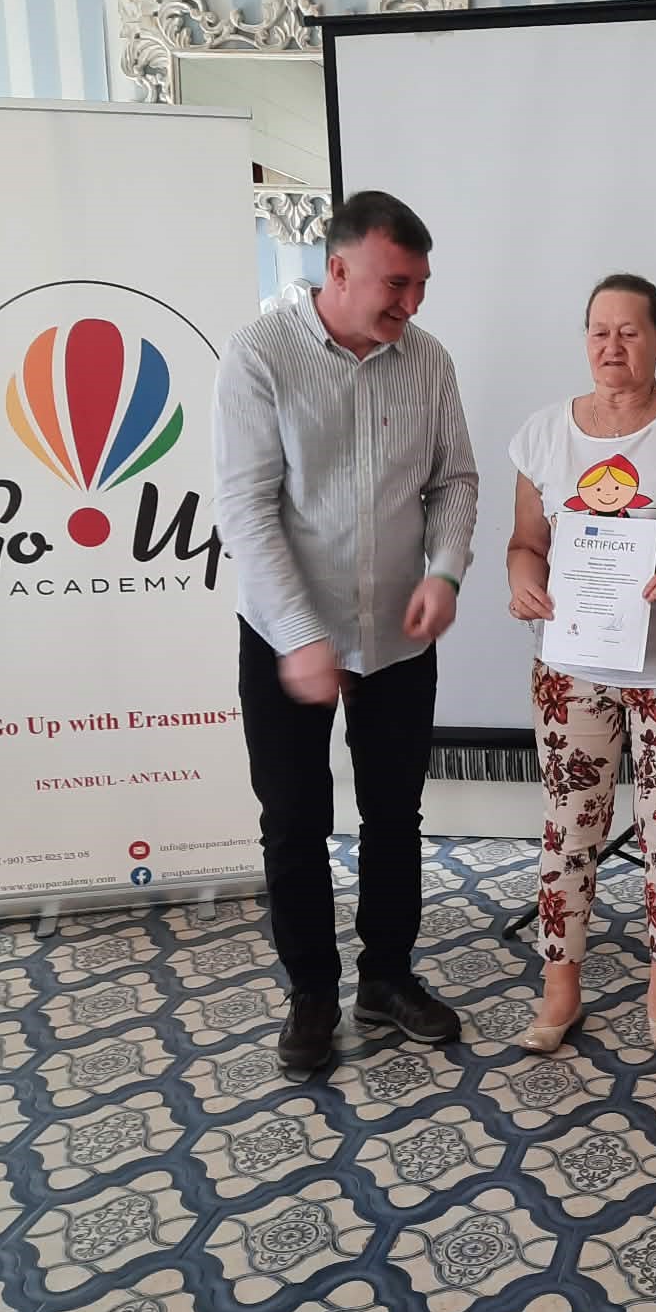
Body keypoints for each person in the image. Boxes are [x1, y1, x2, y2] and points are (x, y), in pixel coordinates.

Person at [214, 191, 478, 1073]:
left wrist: (444, 570)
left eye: (421, 284)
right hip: (283, 634)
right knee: (293, 818)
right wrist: (300, 635)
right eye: (397, 283)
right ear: (337, 268)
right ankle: (312, 993)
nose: (413, 301)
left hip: (398, 632)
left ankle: (388, 978)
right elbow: (247, 512)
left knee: (394, 814)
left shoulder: (428, 361)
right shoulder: (260, 356)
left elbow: (455, 480)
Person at [506, 274, 656, 1055]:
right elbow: (526, 543)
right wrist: (521, 580)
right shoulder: (542, 435)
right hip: (571, 666)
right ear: (585, 340)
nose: (612, 346)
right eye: (599, 331)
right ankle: (560, 988)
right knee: (569, 824)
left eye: (630, 331)